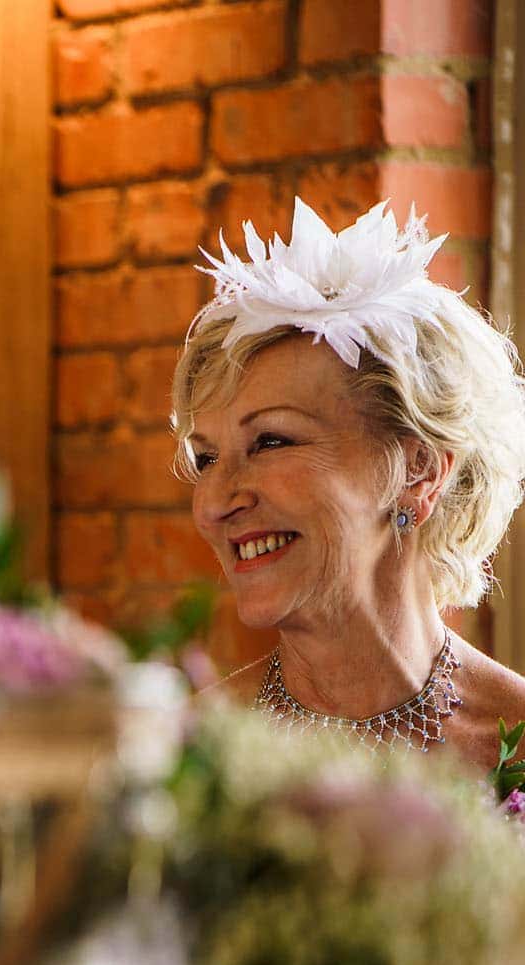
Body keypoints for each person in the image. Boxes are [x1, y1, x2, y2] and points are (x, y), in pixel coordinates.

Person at [173, 197, 525, 774]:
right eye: (207, 458)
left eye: (271, 441)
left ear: (420, 470)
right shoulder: (185, 763)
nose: (214, 503)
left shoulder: (516, 745)